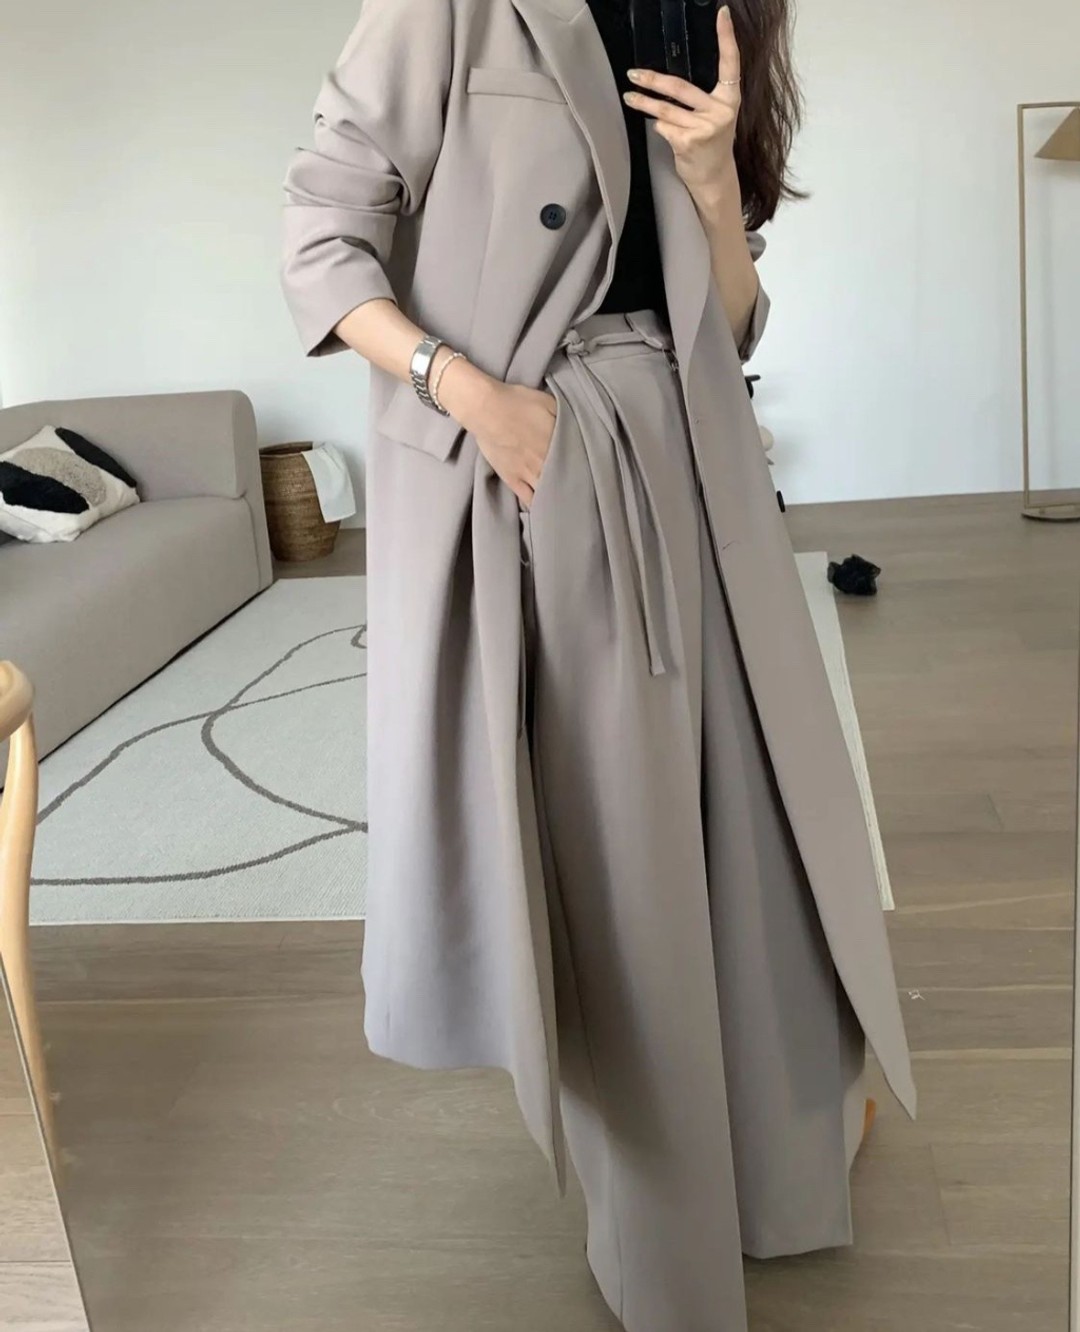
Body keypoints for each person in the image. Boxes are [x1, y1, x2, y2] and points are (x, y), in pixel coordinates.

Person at [280, 3, 916, 1329]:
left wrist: (714, 181)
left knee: (758, 837)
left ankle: (780, 1178)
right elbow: (321, 239)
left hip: (698, 456)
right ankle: (666, 1256)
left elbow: (727, 326)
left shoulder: (716, 15)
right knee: (624, 863)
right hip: (544, 461)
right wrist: (474, 398)